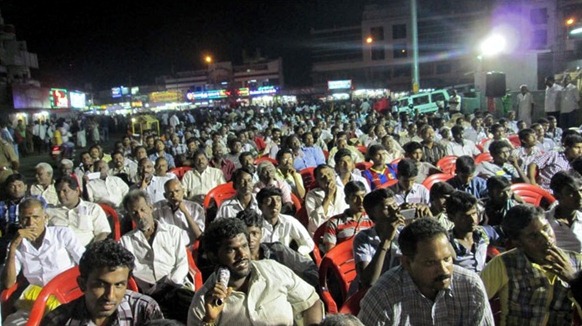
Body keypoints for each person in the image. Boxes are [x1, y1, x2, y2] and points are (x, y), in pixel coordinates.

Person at [187, 217, 323, 326]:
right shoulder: (203, 302)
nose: (242, 255)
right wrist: (209, 320)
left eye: (244, 246)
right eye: (231, 250)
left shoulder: (273, 270)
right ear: (213, 256)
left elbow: (311, 301)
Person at [358, 218, 494, 325]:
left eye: (447, 259)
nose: (443, 269)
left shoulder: (470, 286)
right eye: (430, 263)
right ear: (406, 263)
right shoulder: (383, 296)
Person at [481, 204, 582, 325]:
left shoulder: (577, 263)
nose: (546, 239)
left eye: (546, 229)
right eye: (533, 236)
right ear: (518, 243)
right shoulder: (504, 264)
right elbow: (476, 303)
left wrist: (574, 280)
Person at [2, 197, 85, 325]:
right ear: (20, 221)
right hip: (35, 300)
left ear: (45, 218)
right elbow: (8, 283)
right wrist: (13, 248)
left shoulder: (62, 234)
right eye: (25, 218)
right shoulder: (17, 245)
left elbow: (86, 263)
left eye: (36, 217)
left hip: (68, 297)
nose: (31, 223)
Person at [41, 239, 163, 325]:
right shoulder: (58, 321)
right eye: (100, 285)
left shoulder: (144, 310)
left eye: (119, 285)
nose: (110, 295)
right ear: (82, 284)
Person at [121, 189, 192, 322]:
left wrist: (169, 282)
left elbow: (182, 262)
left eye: (143, 209)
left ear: (151, 207)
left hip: (176, 286)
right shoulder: (126, 241)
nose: (140, 216)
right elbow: (131, 271)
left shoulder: (173, 232)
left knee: (192, 309)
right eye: (134, 213)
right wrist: (153, 288)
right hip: (150, 293)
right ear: (130, 216)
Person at [237, 209, 319, 289]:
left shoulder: (277, 250)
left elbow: (309, 268)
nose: (251, 239)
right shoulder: (237, 261)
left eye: (254, 233)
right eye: (246, 235)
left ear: (261, 233)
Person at [353, 188, 404, 290]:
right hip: (376, 293)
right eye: (386, 207)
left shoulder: (403, 232)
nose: (394, 210)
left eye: (394, 205)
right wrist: (386, 241)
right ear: (372, 214)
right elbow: (369, 282)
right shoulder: (363, 238)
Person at [47, 176, 111, 247]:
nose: (61, 195)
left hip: (86, 252)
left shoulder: (92, 209)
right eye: (58, 192)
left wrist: (91, 251)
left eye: (65, 191)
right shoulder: (50, 211)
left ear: (77, 191)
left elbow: (102, 233)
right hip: (59, 253)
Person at [256, 186, 314, 255]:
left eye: (278, 200)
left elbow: (309, 243)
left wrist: (296, 254)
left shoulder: (289, 221)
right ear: (260, 206)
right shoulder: (256, 225)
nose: (275, 204)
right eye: (269, 200)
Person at [322, 181, 374, 253]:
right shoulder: (335, 222)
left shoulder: (373, 217)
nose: (361, 200)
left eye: (363, 196)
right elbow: (330, 253)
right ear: (347, 200)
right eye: (355, 197)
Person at [154, 178, 205, 246]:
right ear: (165, 196)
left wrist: (185, 211)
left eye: (177, 191)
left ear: (183, 191)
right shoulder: (160, 209)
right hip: (167, 247)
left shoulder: (195, 207)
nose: (174, 195)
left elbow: (199, 235)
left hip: (189, 248)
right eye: (170, 193)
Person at [305, 164, 348, 235]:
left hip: (344, 230)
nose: (327, 178)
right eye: (322, 177)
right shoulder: (312, 195)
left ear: (335, 175)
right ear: (317, 181)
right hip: (323, 234)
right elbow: (314, 223)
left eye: (329, 174)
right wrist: (328, 196)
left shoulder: (343, 191)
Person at [547, 170, 582, 252]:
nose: (579, 197)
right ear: (557, 195)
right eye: (571, 192)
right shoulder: (545, 222)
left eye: (581, 191)